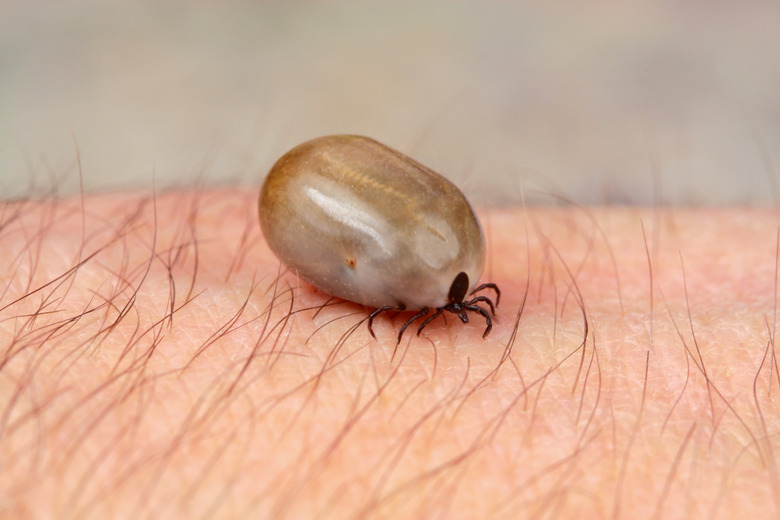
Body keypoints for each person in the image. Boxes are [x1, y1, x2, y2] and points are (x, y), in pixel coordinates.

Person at [0, 188, 776, 519]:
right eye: (450, 303)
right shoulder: (429, 280)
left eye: (456, 301)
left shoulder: (447, 281)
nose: (456, 312)